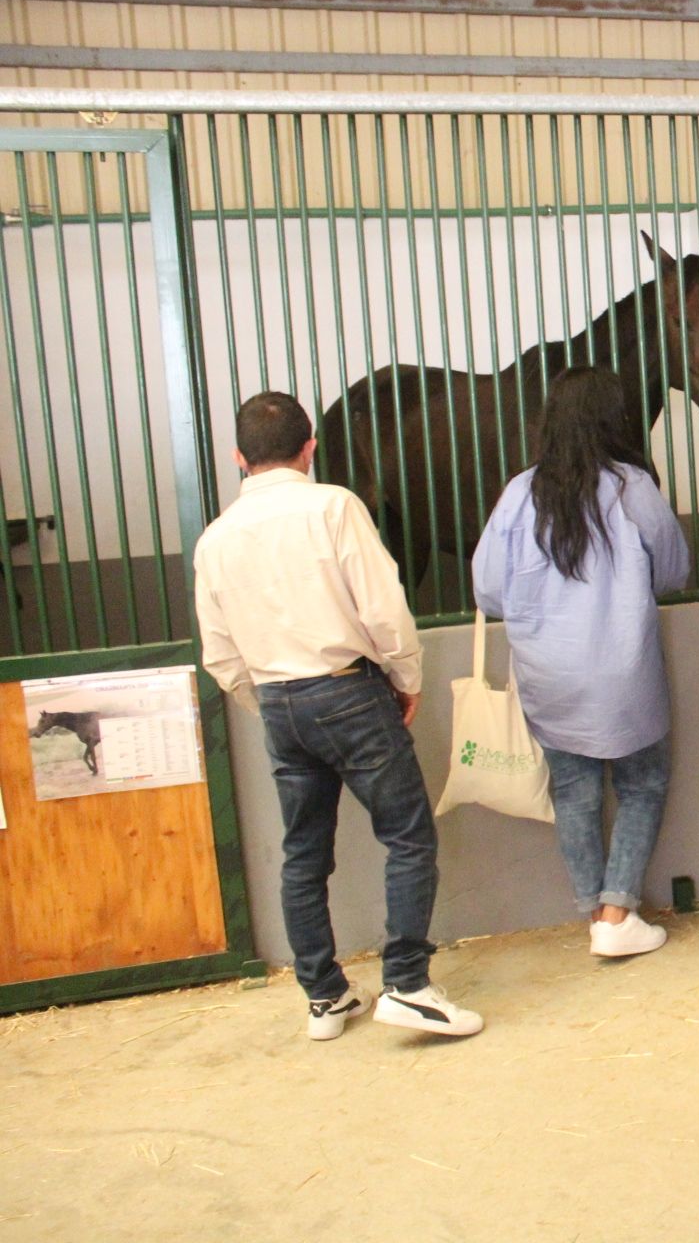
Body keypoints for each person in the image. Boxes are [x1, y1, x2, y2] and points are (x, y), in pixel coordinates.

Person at [194, 391, 482, 1040]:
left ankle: (324, 997)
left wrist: (265, 698)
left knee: (303, 853)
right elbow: (384, 609)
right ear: (311, 448)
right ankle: (407, 984)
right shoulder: (334, 507)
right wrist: (406, 679)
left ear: (239, 458)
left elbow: (219, 654)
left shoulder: (214, 540)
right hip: (347, 692)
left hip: (277, 703)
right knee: (408, 835)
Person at [472, 366, 690, 959]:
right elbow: (673, 572)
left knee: (573, 792)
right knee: (643, 782)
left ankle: (596, 912)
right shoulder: (632, 488)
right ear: (614, 418)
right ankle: (617, 911)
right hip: (622, 671)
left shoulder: (520, 492)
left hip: (549, 676)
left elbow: (487, 590)